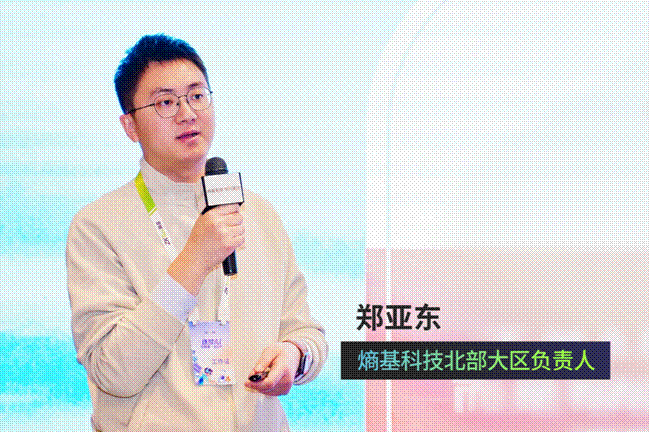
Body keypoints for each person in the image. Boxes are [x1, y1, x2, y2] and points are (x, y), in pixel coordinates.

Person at [66, 34, 327, 432]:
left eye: (197, 96)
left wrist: (295, 354)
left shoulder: (257, 213)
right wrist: (194, 260)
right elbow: (113, 372)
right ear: (130, 125)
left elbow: (306, 330)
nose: (187, 113)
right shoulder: (98, 225)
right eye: (166, 103)